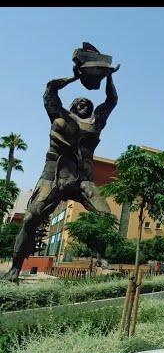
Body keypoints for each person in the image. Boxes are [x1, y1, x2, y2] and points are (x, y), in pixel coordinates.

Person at [4, 63, 119, 281]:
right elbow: (50, 88)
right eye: (80, 102)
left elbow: (111, 101)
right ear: (73, 106)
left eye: (88, 104)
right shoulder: (58, 114)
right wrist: (75, 77)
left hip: (83, 180)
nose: (84, 105)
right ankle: (15, 267)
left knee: (105, 217)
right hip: (53, 177)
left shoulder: (95, 123)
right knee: (30, 219)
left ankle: (103, 260)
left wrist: (109, 77)